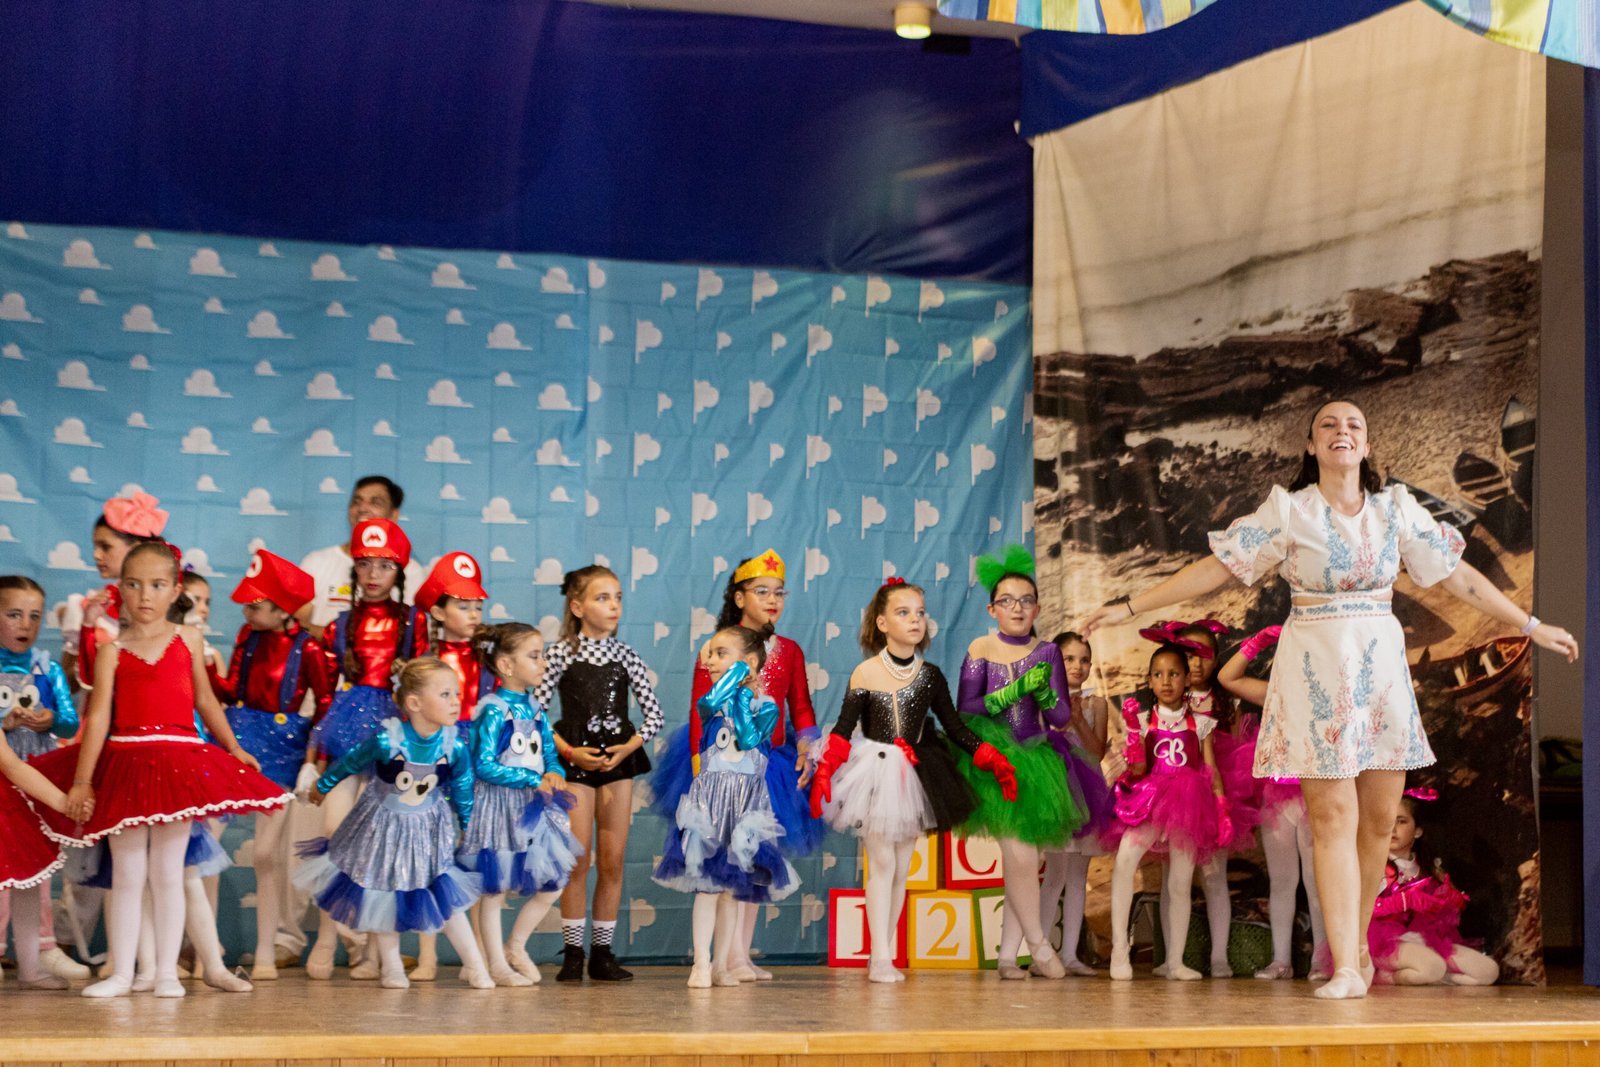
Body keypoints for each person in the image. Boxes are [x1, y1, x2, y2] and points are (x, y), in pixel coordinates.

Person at [1083, 399, 1579, 999]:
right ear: (1312, 446)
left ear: (1365, 446)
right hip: (1316, 671)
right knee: (1333, 819)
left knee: (1377, 822)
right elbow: (1217, 569)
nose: (1342, 431)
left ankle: (1358, 949)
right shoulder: (1290, 510)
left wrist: (1530, 626)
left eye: (1353, 425)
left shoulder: (1395, 508)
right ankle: (1345, 965)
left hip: (1380, 675)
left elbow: (1459, 576)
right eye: (1328, 425)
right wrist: (1129, 606)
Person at [32, 542, 292, 998]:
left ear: (174, 590)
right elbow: (99, 717)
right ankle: (123, 973)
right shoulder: (112, 651)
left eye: (156, 585)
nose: (145, 595)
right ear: (120, 589)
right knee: (128, 874)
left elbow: (206, 700)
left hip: (177, 763)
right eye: (134, 585)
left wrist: (233, 747)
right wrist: (83, 780)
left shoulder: (188, 640)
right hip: (126, 763)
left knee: (169, 873)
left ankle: (167, 974)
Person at [809, 578, 1014, 984]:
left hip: (915, 773)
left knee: (902, 868)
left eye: (920, 612)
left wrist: (992, 758)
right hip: (873, 772)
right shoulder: (866, 672)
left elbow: (954, 727)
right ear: (882, 623)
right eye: (903, 613)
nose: (915, 620)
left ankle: (883, 953)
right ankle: (879, 958)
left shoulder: (930, 676)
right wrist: (826, 770)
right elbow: (844, 729)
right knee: (882, 862)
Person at [662, 549, 821, 981]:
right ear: (738, 597)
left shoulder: (789, 651)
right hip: (719, 762)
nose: (773, 600)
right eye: (762, 591)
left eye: (780, 593)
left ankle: (737, 954)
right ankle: (717, 957)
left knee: (754, 856)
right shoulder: (718, 648)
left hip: (769, 764)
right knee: (721, 859)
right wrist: (700, 767)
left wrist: (807, 746)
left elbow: (801, 706)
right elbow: (701, 710)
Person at [297, 658, 492, 990]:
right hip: (384, 828)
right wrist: (323, 785)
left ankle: (476, 966)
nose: (456, 702)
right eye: (445, 694)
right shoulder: (388, 741)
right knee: (383, 894)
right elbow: (350, 762)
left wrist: (468, 825)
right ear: (414, 703)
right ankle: (391, 967)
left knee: (445, 896)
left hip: (428, 831)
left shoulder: (454, 746)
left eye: (457, 694)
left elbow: (462, 788)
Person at [303, 517, 428, 980]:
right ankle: (328, 936)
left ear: (399, 572)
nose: (374, 574)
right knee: (335, 836)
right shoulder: (339, 624)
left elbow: (424, 682)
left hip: (394, 734)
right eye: (364, 564)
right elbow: (325, 695)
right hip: (346, 730)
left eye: (384, 565)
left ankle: (376, 950)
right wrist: (314, 756)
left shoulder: (414, 621)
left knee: (381, 841)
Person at [955, 545, 1086, 980]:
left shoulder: (1048, 652)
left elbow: (1062, 717)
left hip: (1035, 759)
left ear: (1037, 608)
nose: (1017, 608)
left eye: (1026, 600)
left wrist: (1044, 692)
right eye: (1007, 601)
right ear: (992, 609)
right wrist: (1013, 691)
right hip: (992, 760)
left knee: (1023, 859)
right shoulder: (981, 647)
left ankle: (1009, 956)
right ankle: (1039, 944)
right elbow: (966, 708)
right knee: (1020, 853)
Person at [209, 549, 335, 980]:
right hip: (239, 737)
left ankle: (265, 951)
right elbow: (232, 689)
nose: (246, 612)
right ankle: (207, 950)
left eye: (255, 605)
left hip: (284, 748)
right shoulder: (247, 637)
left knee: (266, 853)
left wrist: (314, 756)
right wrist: (205, 672)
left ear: (282, 609)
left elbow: (325, 704)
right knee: (207, 843)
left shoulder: (309, 647)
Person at [534, 565, 663, 983]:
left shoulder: (626, 655)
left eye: (618, 597)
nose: (614, 606)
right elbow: (534, 713)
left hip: (617, 764)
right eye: (602, 598)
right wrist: (568, 751)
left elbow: (654, 715)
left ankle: (602, 954)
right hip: (575, 761)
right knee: (577, 859)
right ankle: (573, 953)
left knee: (613, 860)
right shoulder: (560, 654)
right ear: (577, 607)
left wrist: (629, 746)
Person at [654, 627, 798, 988]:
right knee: (707, 886)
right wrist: (737, 679)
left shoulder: (766, 707)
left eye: (721, 653)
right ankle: (701, 964)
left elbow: (748, 738)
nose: (710, 661)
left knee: (734, 890)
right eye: (710, 654)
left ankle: (721, 965)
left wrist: (744, 687)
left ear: (749, 662)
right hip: (711, 804)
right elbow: (709, 702)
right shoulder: (712, 702)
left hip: (745, 807)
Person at [459, 622, 581, 986]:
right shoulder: (494, 709)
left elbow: (549, 754)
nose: (543, 663)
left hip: (534, 808)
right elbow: (483, 765)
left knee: (553, 884)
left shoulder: (535, 707)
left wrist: (555, 772)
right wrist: (530, 778)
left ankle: (515, 945)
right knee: (494, 889)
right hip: (498, 809)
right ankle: (496, 964)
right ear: (506, 665)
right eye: (535, 656)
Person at [1105, 640, 1226, 981]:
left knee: (1181, 882)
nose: (1166, 681)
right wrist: (1133, 733)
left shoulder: (1201, 723)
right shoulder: (1143, 720)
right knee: (1124, 861)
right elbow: (1139, 769)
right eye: (1158, 675)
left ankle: (1175, 961)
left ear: (1187, 678)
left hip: (1188, 805)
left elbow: (1210, 768)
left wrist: (1221, 807)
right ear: (1149, 681)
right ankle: (1119, 949)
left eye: (1174, 674)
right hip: (1148, 800)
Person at [1216, 625, 1327, 979]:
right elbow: (1228, 677)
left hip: (1314, 796)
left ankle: (1323, 960)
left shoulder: (1328, 696)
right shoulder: (1274, 695)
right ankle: (1281, 961)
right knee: (1281, 882)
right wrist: (1256, 643)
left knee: (1317, 882)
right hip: (1277, 798)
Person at [0, 575, 86, 985]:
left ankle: (34, 961)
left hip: (36, 776)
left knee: (32, 871)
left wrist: (51, 719)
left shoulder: (47, 667)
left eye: (34, 616)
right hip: (11, 778)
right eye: (14, 614)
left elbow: (69, 722)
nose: (26, 624)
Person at [1038, 630, 1119, 975]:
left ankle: (1070, 954)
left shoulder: (1096, 704)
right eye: (1069, 658)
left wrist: (1077, 719)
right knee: (1054, 875)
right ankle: (1041, 952)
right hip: (1058, 792)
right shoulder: (1043, 700)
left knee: (1077, 876)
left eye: (1084, 660)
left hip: (1087, 795)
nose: (1078, 666)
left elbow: (1097, 751)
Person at [1363, 788, 1498, 986]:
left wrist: (1451, 900)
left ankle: (1434, 978)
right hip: (1381, 942)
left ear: (1418, 830)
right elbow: (1360, 911)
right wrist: (1405, 901)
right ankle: (1382, 976)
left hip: (1422, 939)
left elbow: (1449, 907)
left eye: (1401, 821)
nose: (1392, 828)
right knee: (1430, 966)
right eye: (1387, 820)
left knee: (1488, 971)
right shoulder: (1373, 864)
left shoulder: (1428, 867)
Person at [297, 476, 427, 628]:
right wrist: (338, 639)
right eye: (356, 501)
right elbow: (298, 625)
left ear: (394, 515)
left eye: (375, 502)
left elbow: (409, 633)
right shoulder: (316, 562)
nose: (362, 509)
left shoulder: (410, 571)